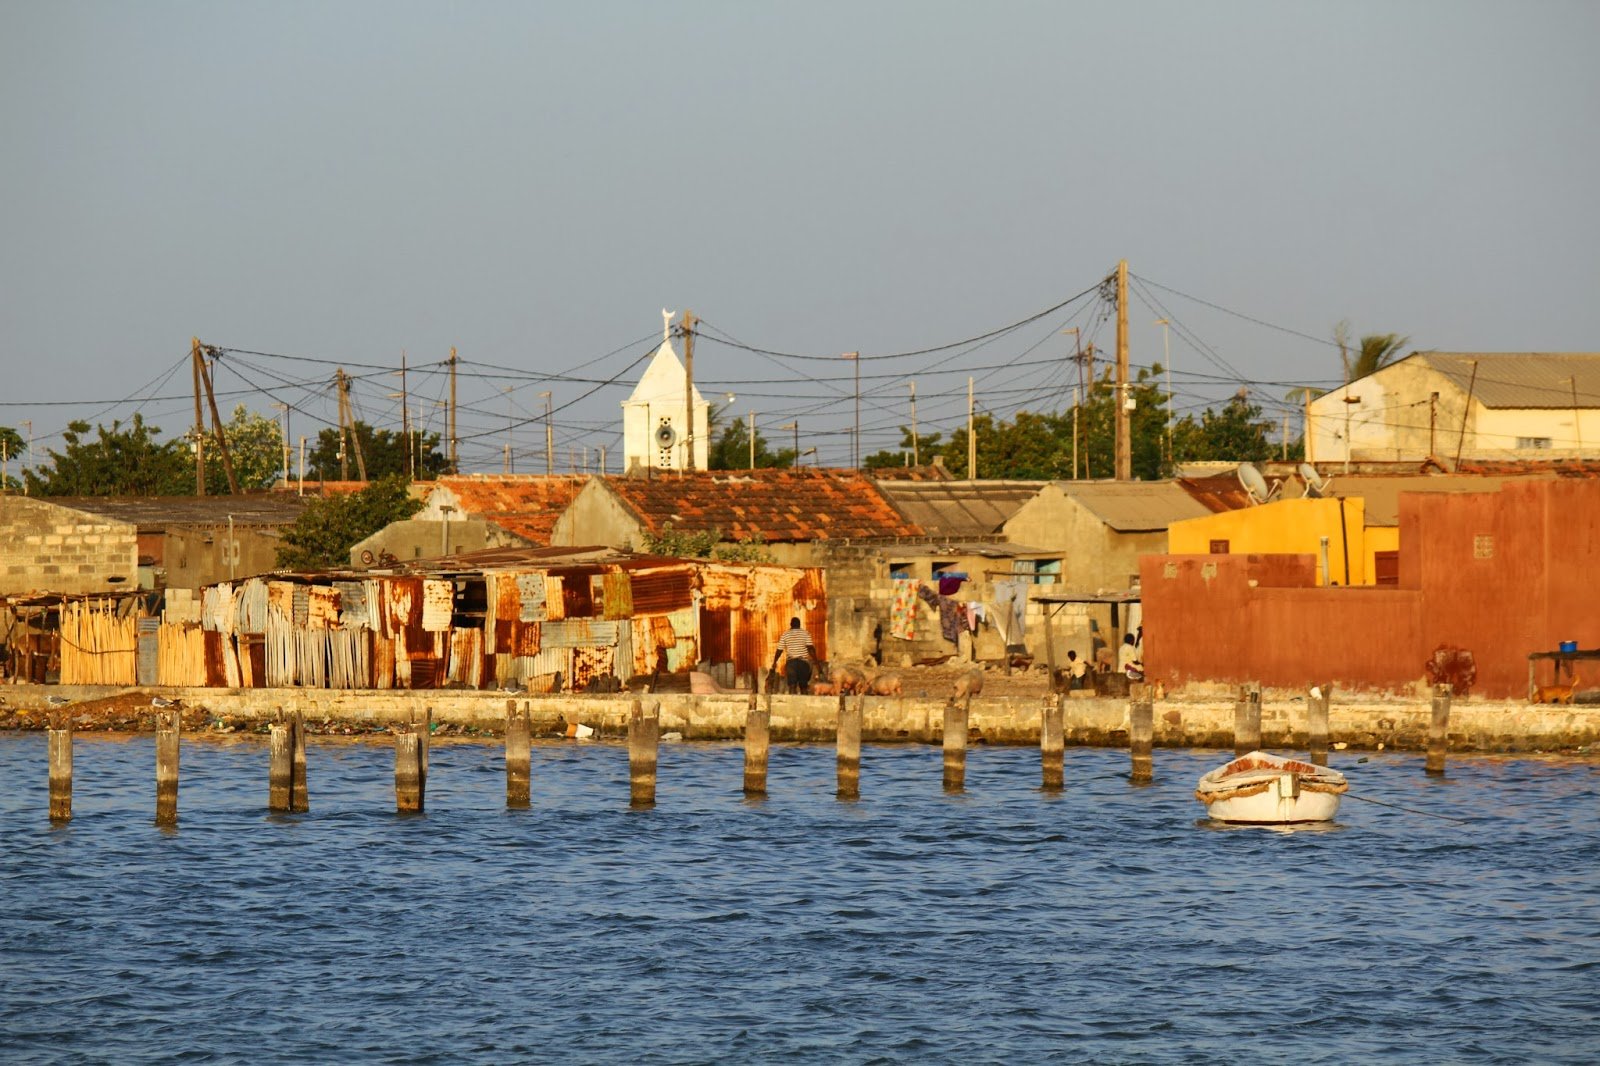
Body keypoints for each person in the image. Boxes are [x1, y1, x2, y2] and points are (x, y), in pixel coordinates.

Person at [772, 617, 816, 693]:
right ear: (799, 624)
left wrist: (774, 661)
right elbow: (810, 649)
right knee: (803, 686)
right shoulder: (805, 633)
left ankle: (792, 702)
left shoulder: (785, 634)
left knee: (792, 686)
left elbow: (779, 650)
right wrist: (816, 661)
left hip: (791, 663)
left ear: (791, 625)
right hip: (803, 663)